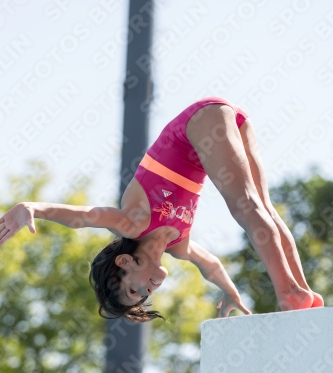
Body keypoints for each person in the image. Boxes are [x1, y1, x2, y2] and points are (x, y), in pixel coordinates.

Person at [0, 96, 324, 322]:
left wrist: (31, 207)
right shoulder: (178, 246)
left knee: (246, 207)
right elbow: (210, 265)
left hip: (198, 123)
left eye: (133, 287)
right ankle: (302, 291)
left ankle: (289, 294)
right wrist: (229, 291)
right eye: (141, 296)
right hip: (231, 124)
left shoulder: (132, 223)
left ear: (124, 260)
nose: (146, 290)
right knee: (264, 208)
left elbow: (82, 218)